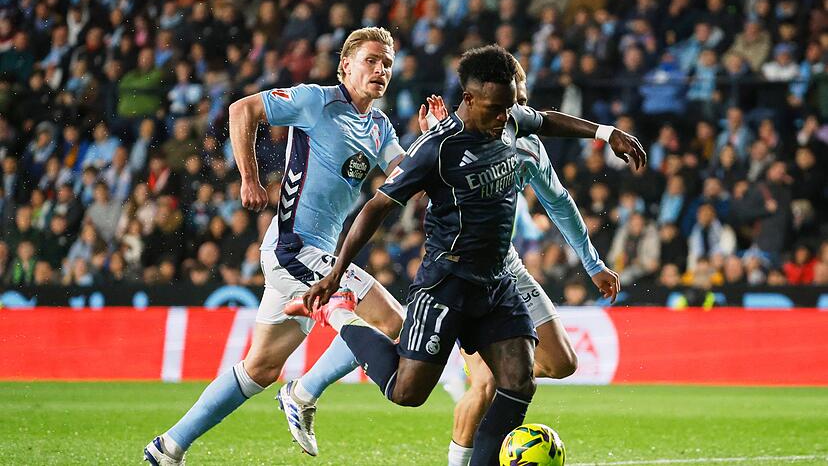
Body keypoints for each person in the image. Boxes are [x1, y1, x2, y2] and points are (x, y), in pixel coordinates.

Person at [295, 45, 645, 465]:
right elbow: (377, 207)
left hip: (497, 282)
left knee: (518, 382)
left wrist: (606, 133)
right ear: (471, 98)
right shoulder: (437, 148)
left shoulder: (510, 119)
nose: (506, 117)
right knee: (408, 393)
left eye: (510, 108)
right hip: (447, 283)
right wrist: (336, 274)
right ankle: (339, 315)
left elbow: (547, 120)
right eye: (497, 109)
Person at [144, 27, 408, 464]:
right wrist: (248, 176)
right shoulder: (315, 100)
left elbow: (406, 174)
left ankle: (168, 446)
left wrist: (437, 141)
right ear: (345, 65)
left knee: (260, 367)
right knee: (392, 321)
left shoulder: (379, 127)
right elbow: (242, 109)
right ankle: (303, 392)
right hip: (294, 249)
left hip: (312, 254)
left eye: (387, 64)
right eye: (371, 60)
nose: (380, 70)